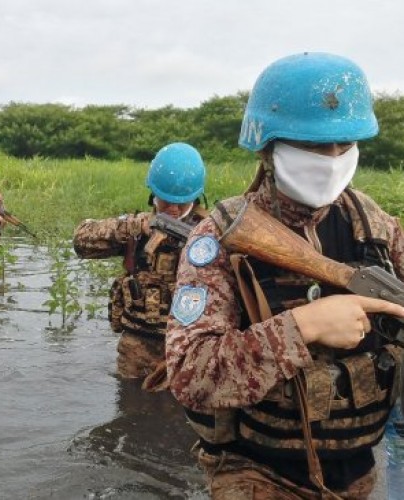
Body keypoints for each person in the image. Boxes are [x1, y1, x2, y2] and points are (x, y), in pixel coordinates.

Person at [166, 52, 404, 499]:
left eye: (345, 143)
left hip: (358, 472)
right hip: (258, 472)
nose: (332, 158)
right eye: (312, 145)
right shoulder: (220, 238)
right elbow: (189, 375)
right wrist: (305, 327)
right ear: (266, 147)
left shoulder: (376, 225)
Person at [73, 143, 207, 388]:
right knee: (131, 407)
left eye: (182, 203)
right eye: (166, 202)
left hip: (187, 346)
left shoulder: (209, 234)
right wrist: (133, 227)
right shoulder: (137, 228)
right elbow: (81, 241)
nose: (174, 210)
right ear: (153, 194)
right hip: (137, 345)